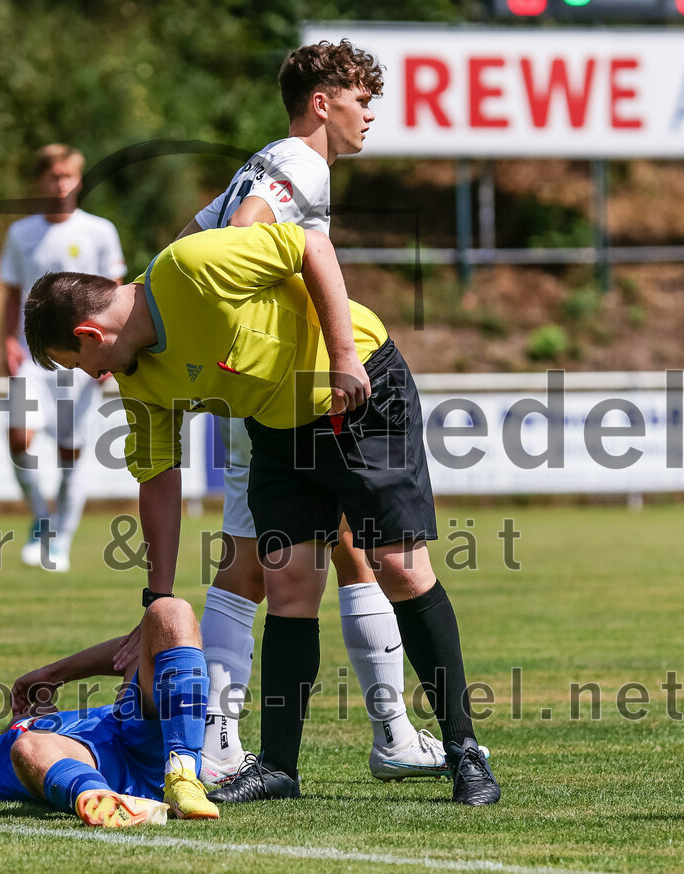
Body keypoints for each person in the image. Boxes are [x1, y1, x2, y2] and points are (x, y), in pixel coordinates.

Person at [23, 221, 500, 806]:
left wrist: (344, 353)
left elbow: (311, 245)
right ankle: (278, 767)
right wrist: (157, 601)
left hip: (360, 392)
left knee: (398, 568)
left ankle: (465, 752)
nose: (93, 376)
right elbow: (158, 479)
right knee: (290, 584)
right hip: (276, 432)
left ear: (90, 333)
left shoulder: (189, 269)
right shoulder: (139, 377)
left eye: (78, 362)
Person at [174, 39, 465, 786]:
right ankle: (220, 743)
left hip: (275, 388)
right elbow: (242, 233)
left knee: (325, 554)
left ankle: (383, 736)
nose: (370, 114)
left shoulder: (270, 160)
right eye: (362, 99)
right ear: (322, 101)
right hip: (279, 388)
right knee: (262, 565)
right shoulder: (299, 164)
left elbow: (191, 241)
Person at [0, 597, 219, 826]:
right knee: (28, 746)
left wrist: (52, 674)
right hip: (99, 775)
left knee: (168, 611)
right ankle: (105, 801)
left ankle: (184, 775)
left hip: (145, 748)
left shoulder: (92, 717)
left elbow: (136, 646)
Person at [0, 144, 125, 572]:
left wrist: (111, 350)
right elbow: (12, 293)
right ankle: (41, 520)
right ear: (41, 181)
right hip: (33, 358)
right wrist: (6, 340)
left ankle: (61, 541)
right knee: (19, 440)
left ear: (79, 180)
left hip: (81, 356)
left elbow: (114, 294)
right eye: (53, 177)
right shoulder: (21, 233)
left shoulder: (100, 231)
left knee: (71, 453)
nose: (61, 184)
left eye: (68, 176)